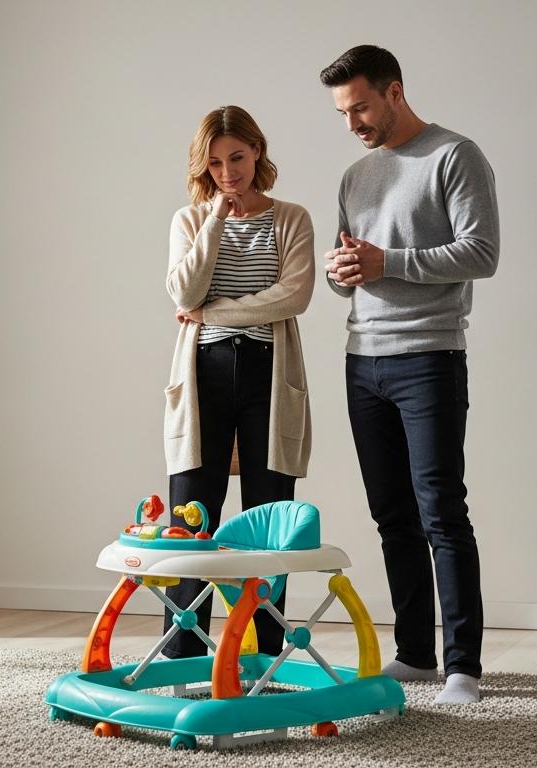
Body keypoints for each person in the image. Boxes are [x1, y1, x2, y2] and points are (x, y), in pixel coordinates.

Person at [318, 45, 500, 704]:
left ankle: (463, 668)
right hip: (361, 359)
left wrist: (385, 262)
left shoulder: (455, 156)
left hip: (429, 357)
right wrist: (345, 274)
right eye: (343, 111)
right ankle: (415, 653)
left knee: (441, 512)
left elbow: (481, 252)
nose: (352, 122)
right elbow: (353, 269)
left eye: (360, 106)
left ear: (394, 91)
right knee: (392, 516)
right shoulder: (355, 175)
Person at [160, 105, 316, 659]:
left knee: (268, 514)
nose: (229, 173)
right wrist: (216, 220)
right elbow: (184, 294)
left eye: (239, 158)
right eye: (217, 162)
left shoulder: (291, 218)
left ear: (258, 153)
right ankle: (182, 651)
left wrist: (215, 314)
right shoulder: (189, 219)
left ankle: (267, 649)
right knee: (192, 516)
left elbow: (293, 297)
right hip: (202, 375)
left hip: (268, 375)